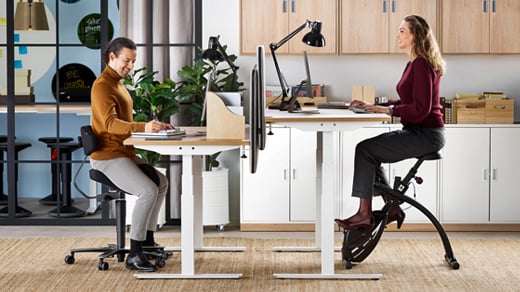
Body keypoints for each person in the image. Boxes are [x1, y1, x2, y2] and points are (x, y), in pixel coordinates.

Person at [335, 15, 446, 231]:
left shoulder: (421, 65)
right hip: (420, 132)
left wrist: (387, 110)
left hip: (426, 135)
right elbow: (408, 102)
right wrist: (375, 104)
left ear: (416, 36)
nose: (398, 35)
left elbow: (421, 109)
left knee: (365, 150)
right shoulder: (413, 64)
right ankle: (392, 207)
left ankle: (364, 214)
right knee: (369, 152)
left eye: (403, 31)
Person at [90, 37, 175, 272]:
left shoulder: (118, 83)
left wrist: (154, 127)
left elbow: (124, 124)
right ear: (112, 57)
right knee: (147, 190)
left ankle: (147, 241)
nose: (130, 66)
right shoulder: (103, 86)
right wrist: (142, 127)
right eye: (127, 61)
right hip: (107, 157)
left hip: (122, 153)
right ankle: (135, 253)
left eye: (133, 61)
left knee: (162, 182)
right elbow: (110, 124)